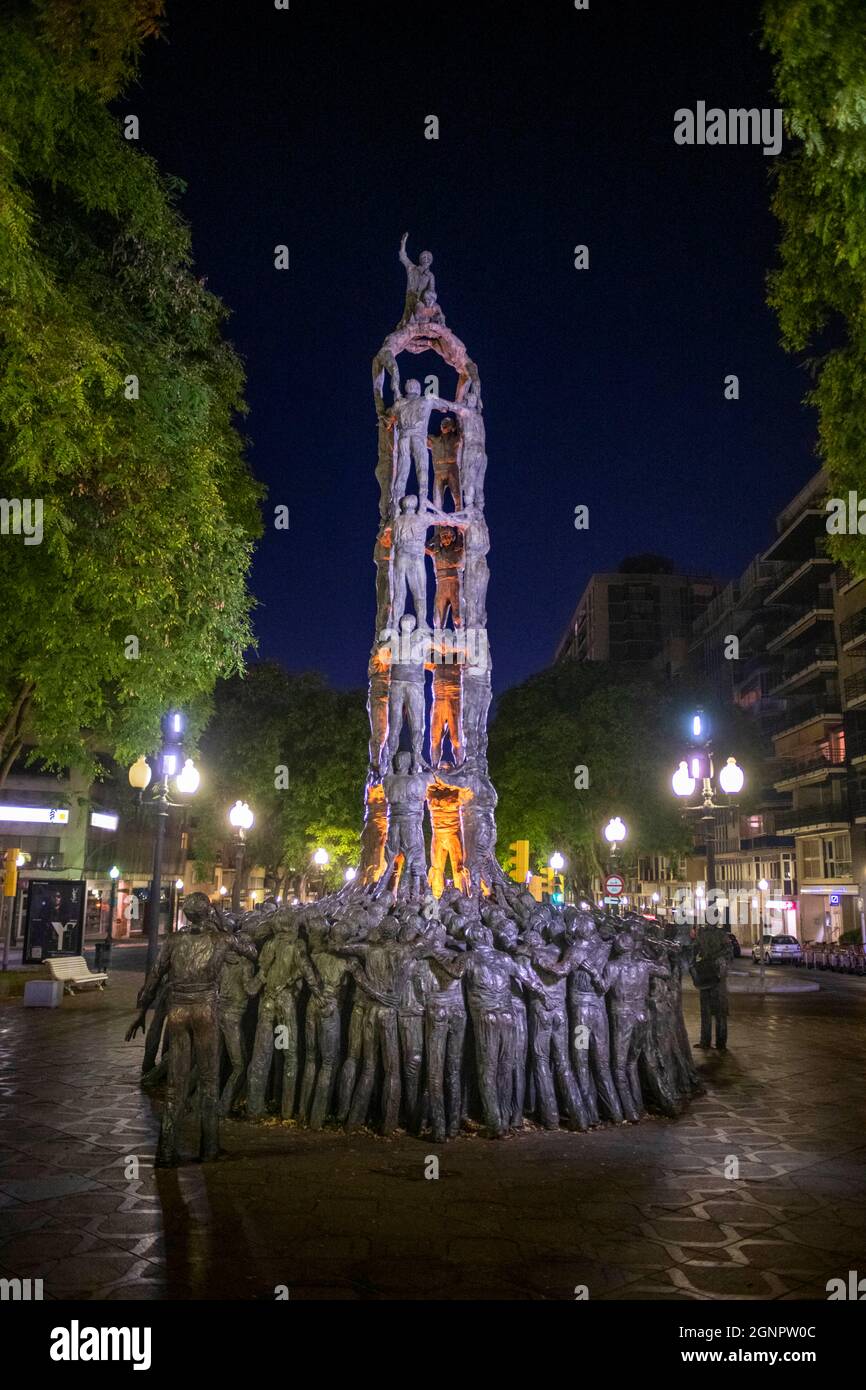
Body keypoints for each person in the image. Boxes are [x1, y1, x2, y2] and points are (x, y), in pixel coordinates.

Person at [126, 892, 257, 1166]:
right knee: (209, 1081)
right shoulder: (221, 939)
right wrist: (219, 923)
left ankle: (166, 1150)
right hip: (205, 1010)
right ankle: (209, 1147)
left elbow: (153, 978)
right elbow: (251, 952)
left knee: (176, 1081)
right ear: (208, 913)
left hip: (178, 1010)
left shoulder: (174, 941)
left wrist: (141, 1014)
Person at [690, 924, 732, 1052]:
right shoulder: (709, 934)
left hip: (712, 973)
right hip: (710, 973)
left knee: (714, 1011)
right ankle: (712, 1042)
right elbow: (695, 949)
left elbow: (728, 950)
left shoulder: (713, 934)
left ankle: (714, 1042)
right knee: (711, 1011)